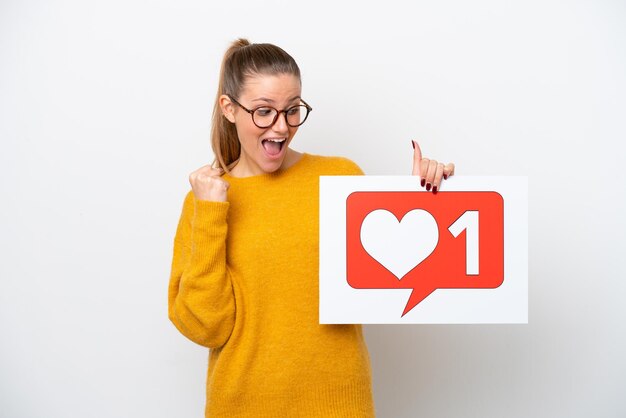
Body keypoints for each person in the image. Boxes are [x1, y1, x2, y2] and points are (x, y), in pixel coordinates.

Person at [168, 38, 455, 418]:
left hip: (340, 404)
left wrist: (422, 200)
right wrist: (210, 215)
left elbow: (386, 283)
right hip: (241, 406)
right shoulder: (205, 202)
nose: (281, 127)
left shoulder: (339, 177)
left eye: (292, 110)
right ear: (228, 109)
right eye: (264, 111)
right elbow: (206, 327)